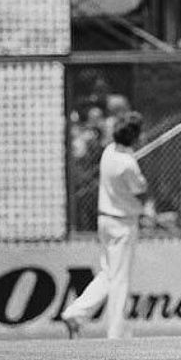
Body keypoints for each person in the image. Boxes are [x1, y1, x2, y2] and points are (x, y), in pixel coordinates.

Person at [62, 111, 150, 339]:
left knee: (108, 274)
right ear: (135, 136)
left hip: (105, 221)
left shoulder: (109, 152)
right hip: (122, 223)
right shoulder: (128, 164)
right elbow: (141, 194)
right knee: (120, 279)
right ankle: (116, 331)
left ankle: (76, 313)